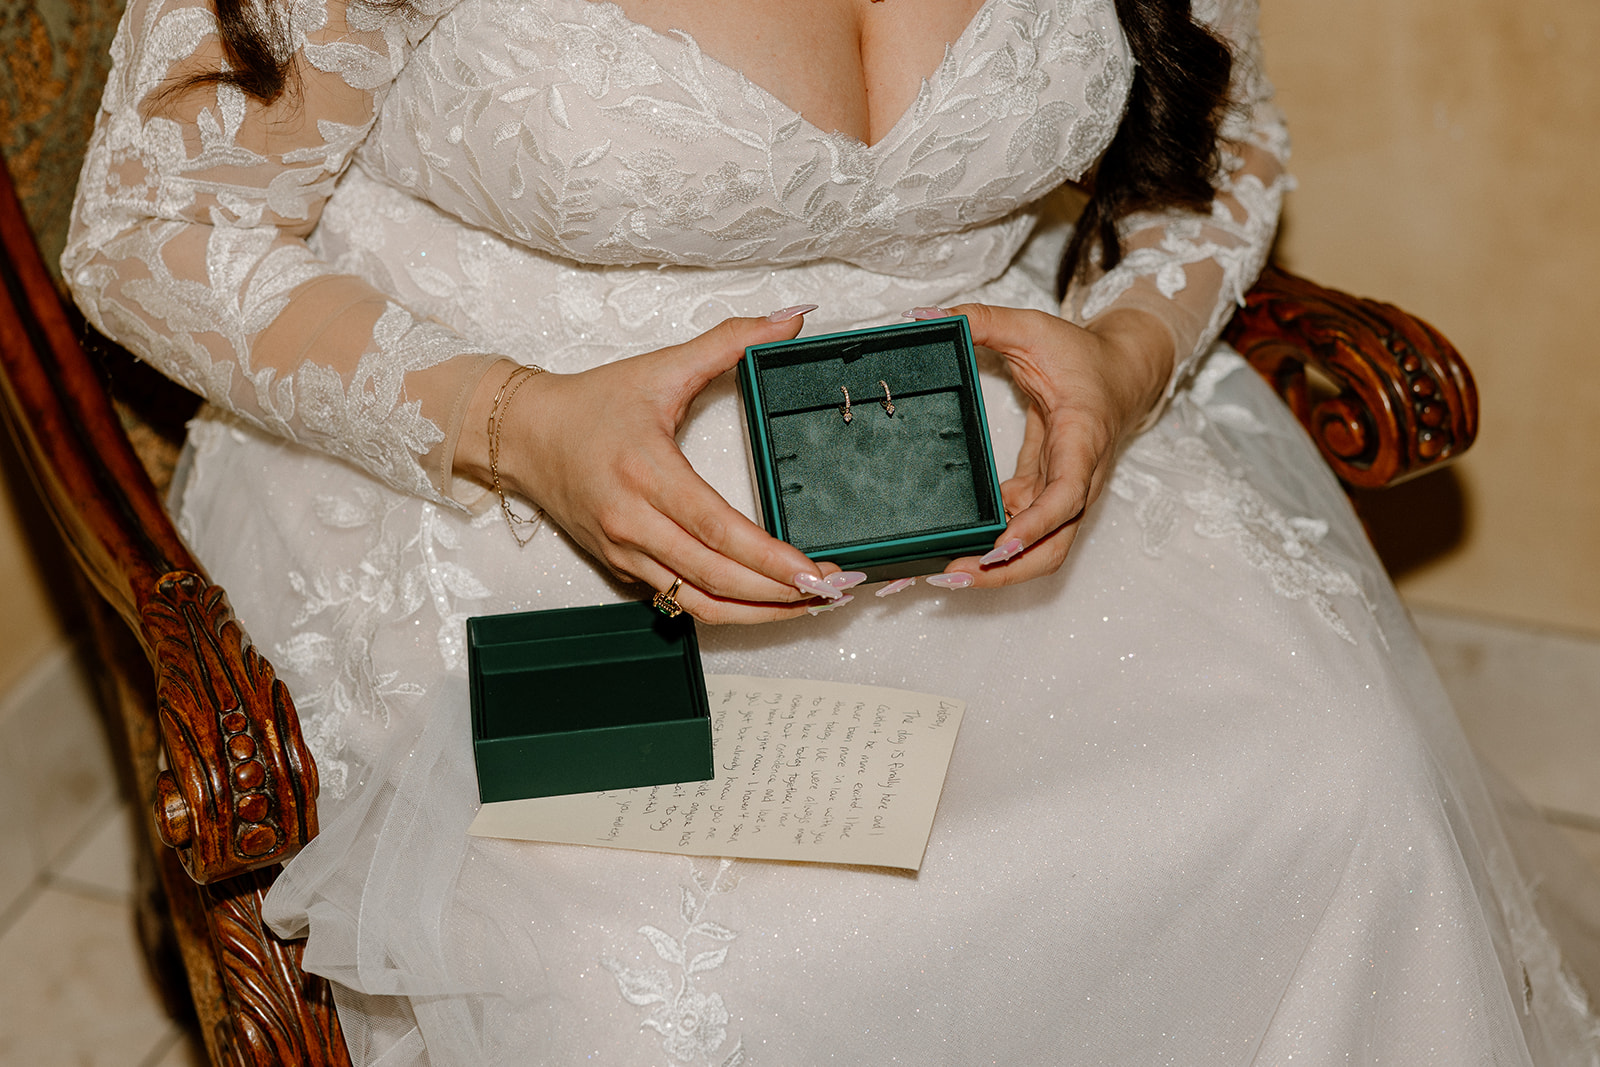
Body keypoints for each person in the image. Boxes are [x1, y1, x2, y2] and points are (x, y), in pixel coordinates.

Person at [63, 0, 1600, 1061]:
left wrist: (1126, 361)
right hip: (528, 496)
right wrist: (517, 421)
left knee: (1340, 792)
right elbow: (148, 230)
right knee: (661, 988)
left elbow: (1226, 142)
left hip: (1002, 450)